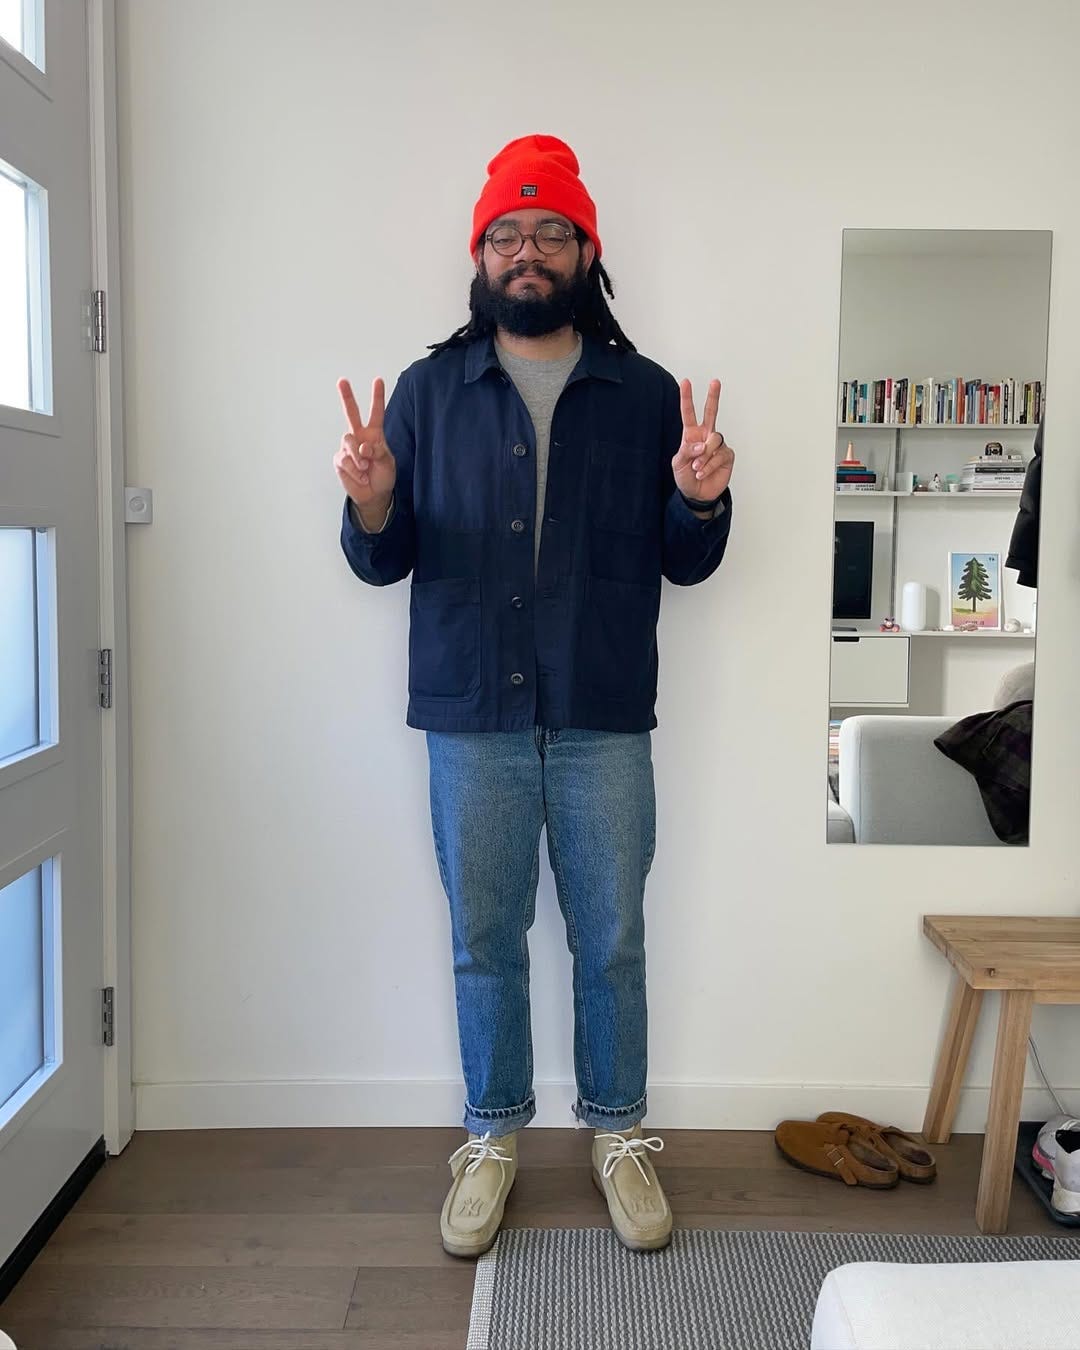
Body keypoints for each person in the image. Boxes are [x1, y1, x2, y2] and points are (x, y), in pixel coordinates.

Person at [333, 134, 734, 1258]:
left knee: (610, 938)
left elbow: (684, 564)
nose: (526, 251)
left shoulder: (646, 394)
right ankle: (494, 1138)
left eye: (549, 230)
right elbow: (384, 559)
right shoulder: (426, 392)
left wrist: (700, 501)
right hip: (473, 717)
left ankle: (618, 1137)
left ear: (585, 249)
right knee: (485, 936)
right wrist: (371, 501)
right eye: (506, 234)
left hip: (604, 710)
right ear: (480, 254)